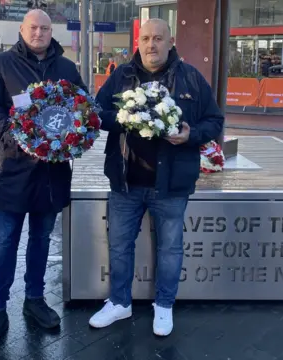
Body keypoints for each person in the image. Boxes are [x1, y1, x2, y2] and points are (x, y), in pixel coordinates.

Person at [88, 18, 224, 336]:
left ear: (170, 41)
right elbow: (95, 113)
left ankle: (164, 306)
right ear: (139, 41)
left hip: (172, 184)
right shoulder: (121, 75)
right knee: (120, 245)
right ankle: (120, 303)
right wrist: (124, 118)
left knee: (171, 249)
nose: (152, 45)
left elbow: (214, 120)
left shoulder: (191, 77)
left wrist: (191, 135)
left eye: (158, 38)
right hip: (126, 181)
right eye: (146, 38)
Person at [0, 9, 87, 348]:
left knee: (40, 240)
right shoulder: (0, 64)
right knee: (6, 241)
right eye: (33, 28)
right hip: (13, 169)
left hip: (52, 174)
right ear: (22, 30)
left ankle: (34, 300)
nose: (39, 33)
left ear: (52, 31)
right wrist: (17, 136)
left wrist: (78, 132)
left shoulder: (67, 69)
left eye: (45, 28)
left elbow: (82, 109)